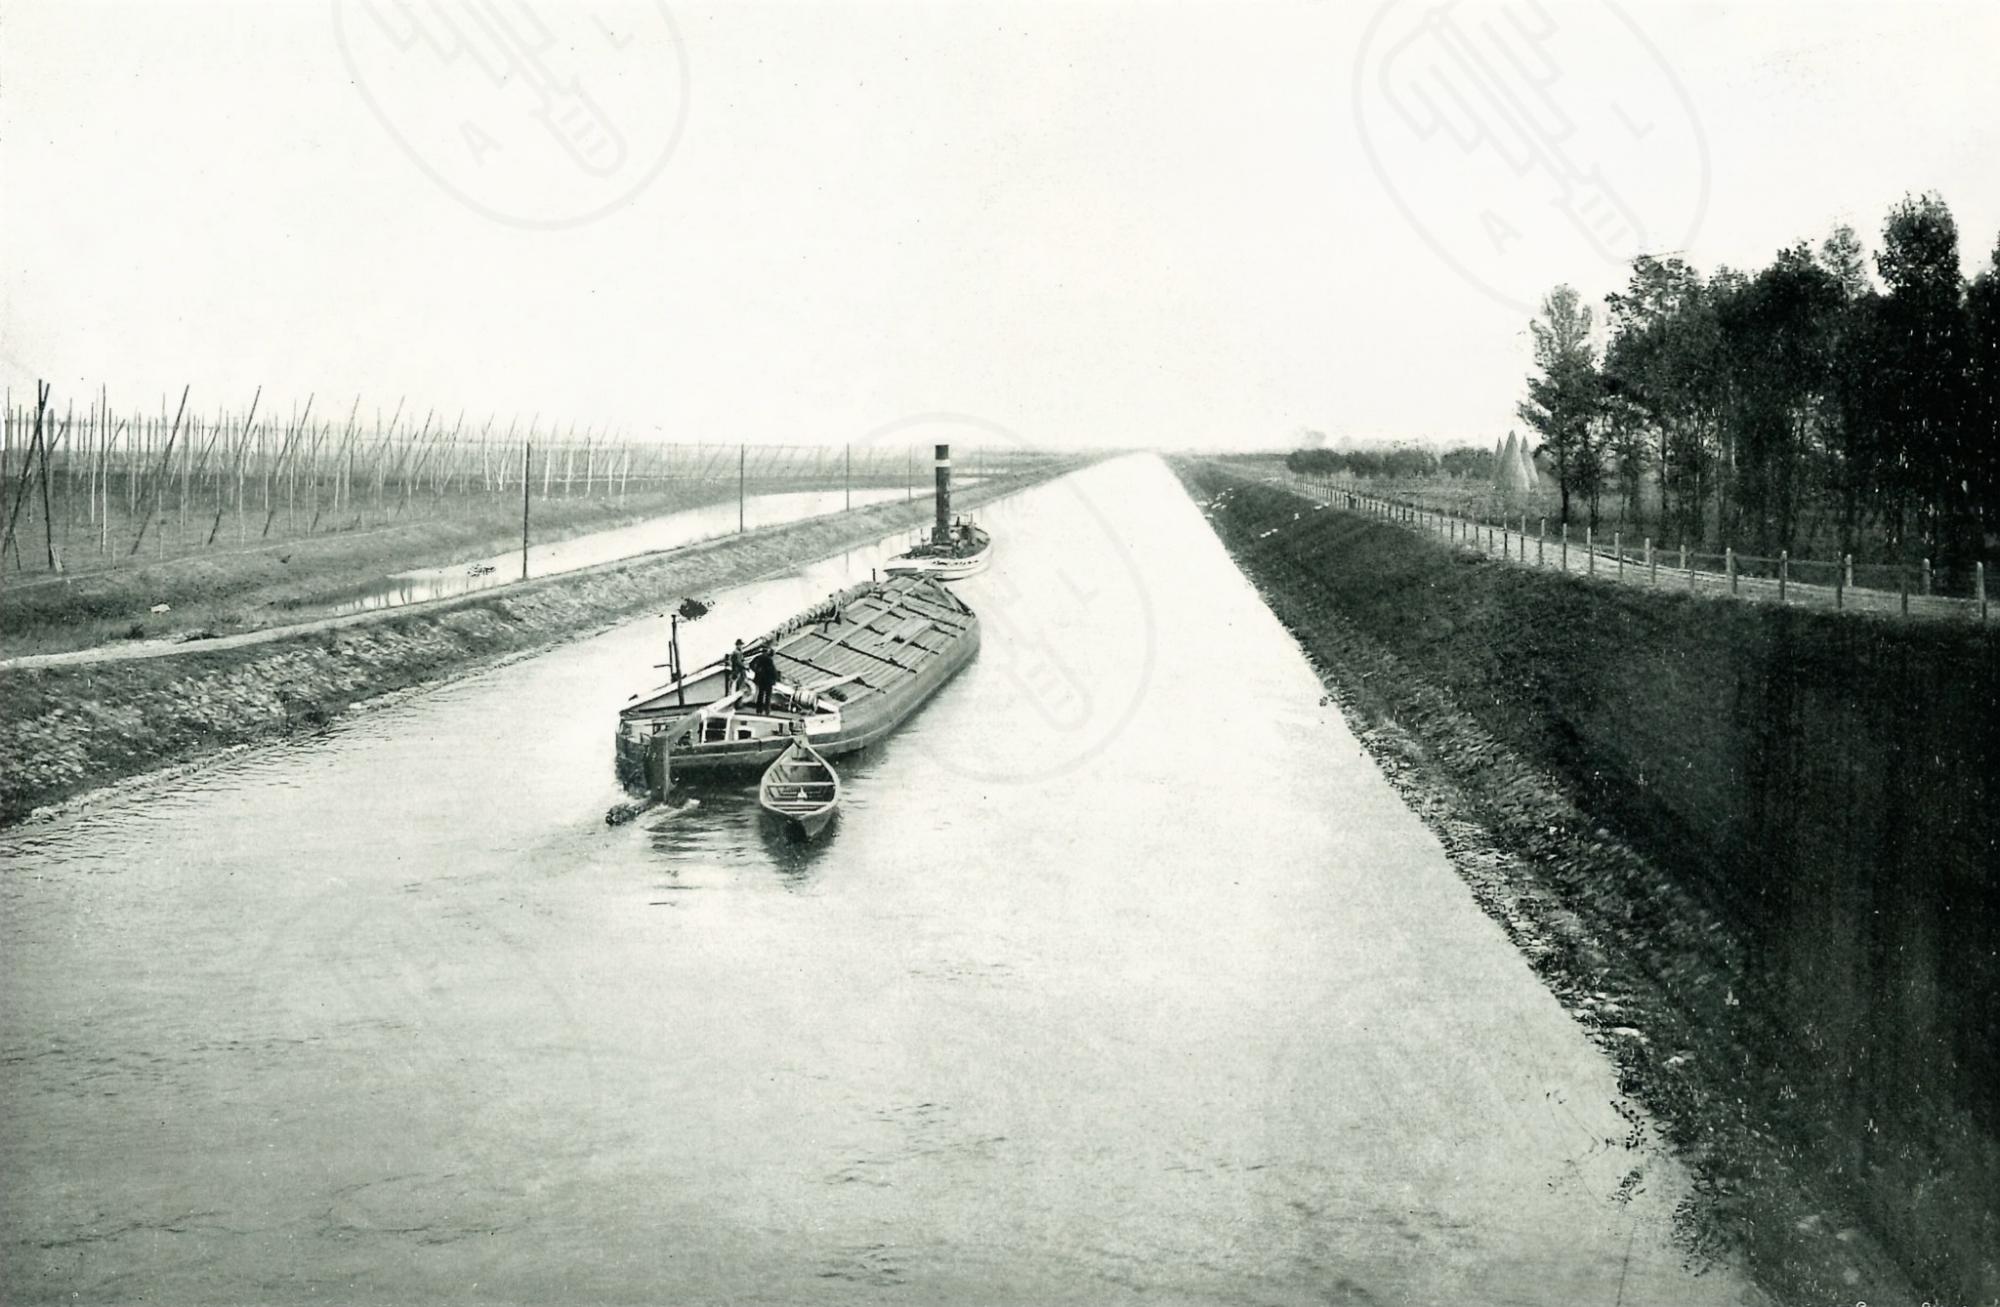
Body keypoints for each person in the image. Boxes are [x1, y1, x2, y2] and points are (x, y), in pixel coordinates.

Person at [751, 645, 780, 714]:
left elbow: (752, 665)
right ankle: (767, 710)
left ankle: (759, 709)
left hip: (761, 680)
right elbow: (772, 671)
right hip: (768, 680)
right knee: (768, 696)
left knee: (760, 695)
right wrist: (776, 678)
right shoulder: (769, 660)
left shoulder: (759, 658)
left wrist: (757, 672)